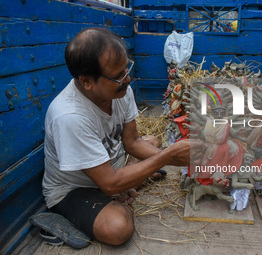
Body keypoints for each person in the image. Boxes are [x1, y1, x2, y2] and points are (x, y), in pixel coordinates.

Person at [42, 27, 205, 246]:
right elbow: (109, 183)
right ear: (87, 81)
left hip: (110, 166)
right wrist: (167, 157)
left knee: (152, 143)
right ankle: (93, 208)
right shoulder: (69, 117)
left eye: (126, 68)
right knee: (118, 228)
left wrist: (175, 155)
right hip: (75, 189)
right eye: (118, 76)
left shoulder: (120, 89)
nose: (127, 79)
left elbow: (132, 142)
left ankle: (125, 186)